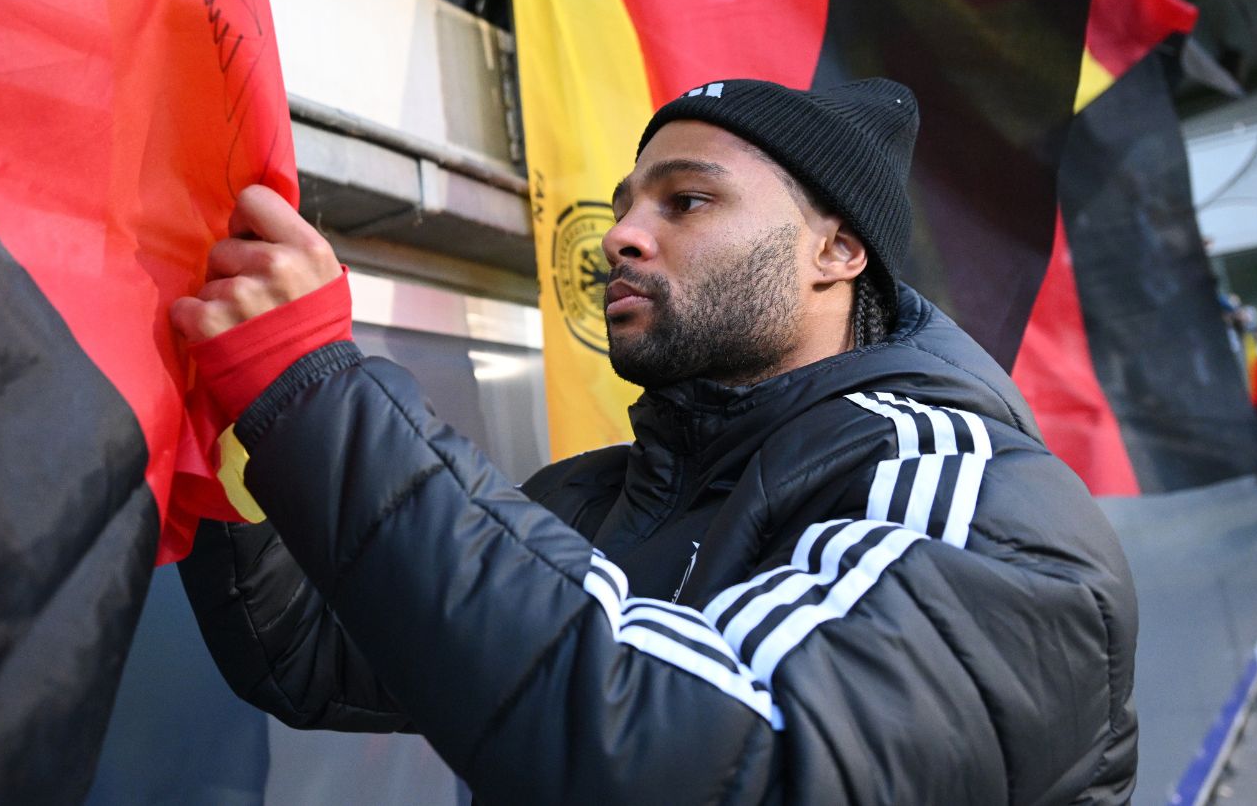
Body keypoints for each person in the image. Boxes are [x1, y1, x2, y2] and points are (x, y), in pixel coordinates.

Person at [170, 78, 1138, 803]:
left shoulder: (968, 493)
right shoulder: (595, 497)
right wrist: (240, 437)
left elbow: (716, 756)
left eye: (686, 201)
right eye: (624, 205)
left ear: (837, 252)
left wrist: (315, 386)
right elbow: (307, 653)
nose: (618, 237)